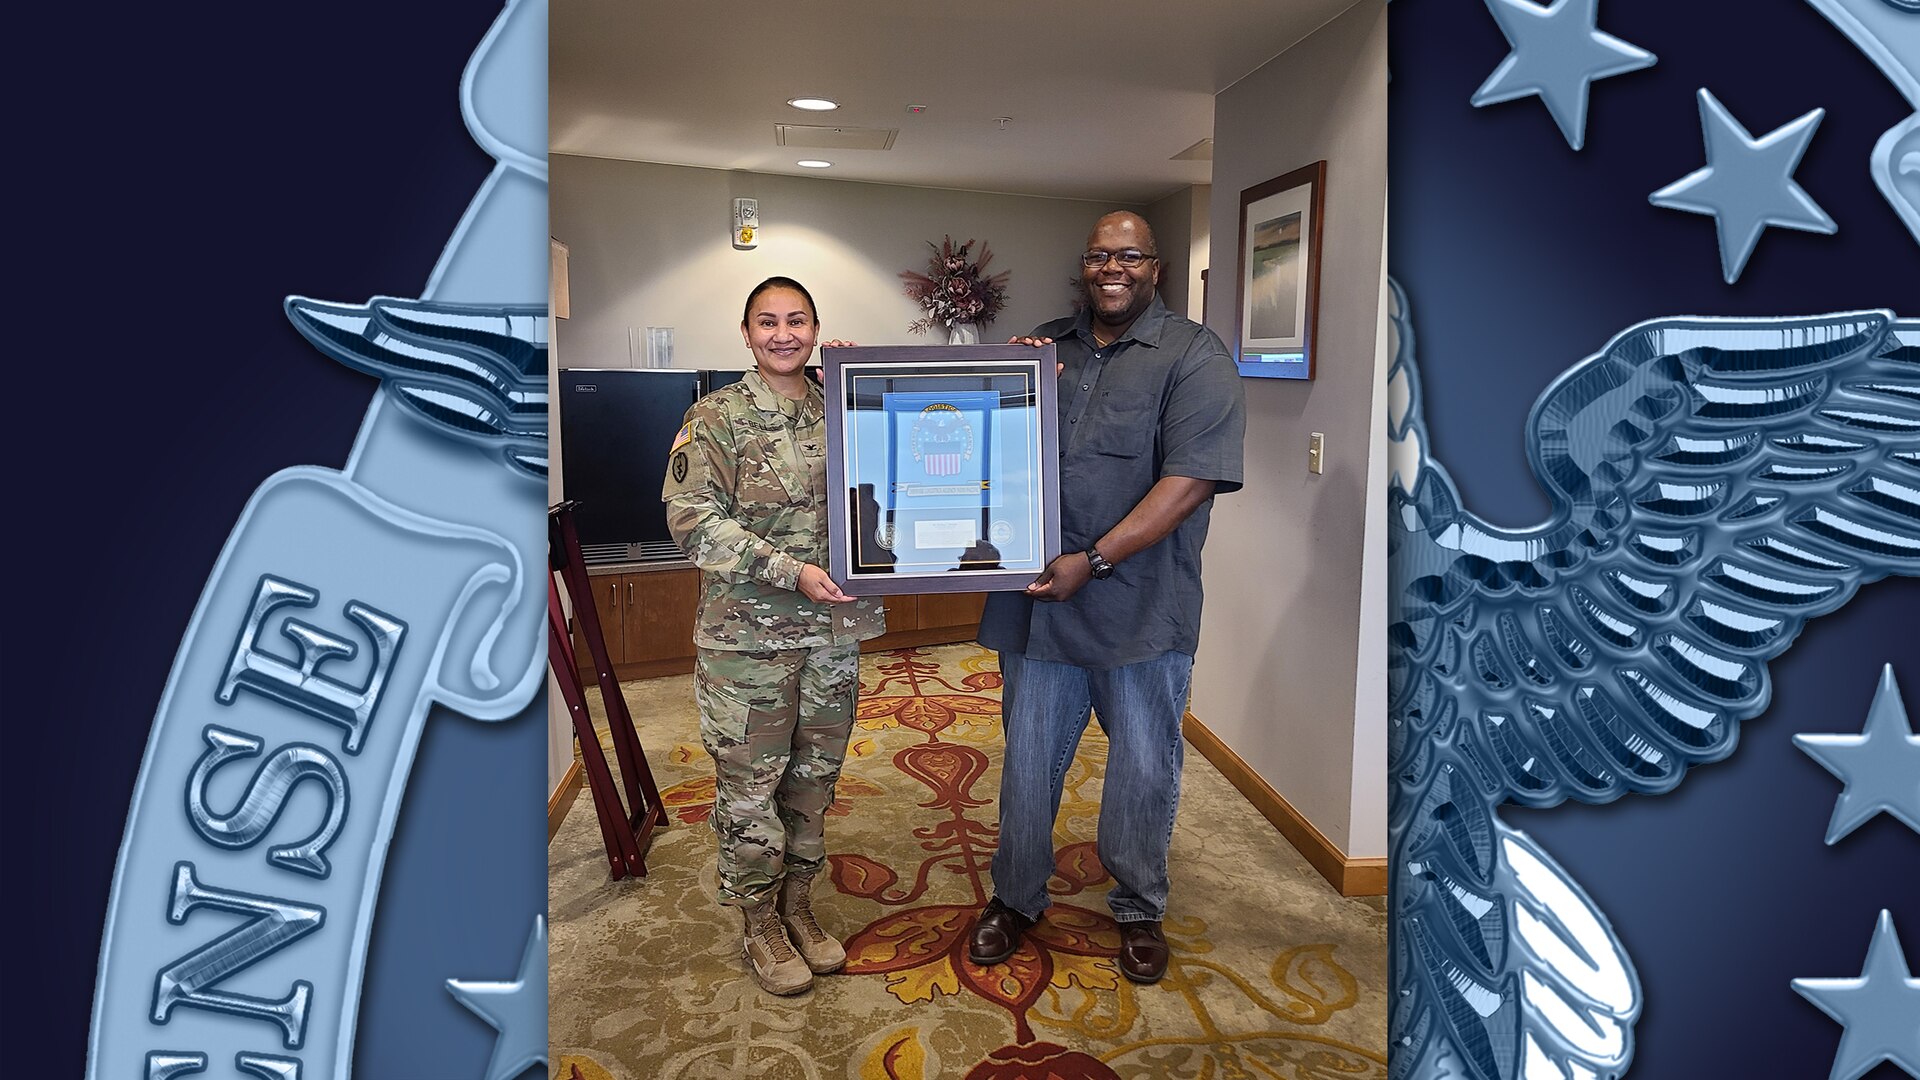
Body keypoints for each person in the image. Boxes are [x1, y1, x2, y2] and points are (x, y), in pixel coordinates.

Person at [969, 211, 1246, 984]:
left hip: (1143, 609)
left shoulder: (1194, 356)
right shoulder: (1040, 351)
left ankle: (1137, 906)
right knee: (1026, 764)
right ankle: (1016, 899)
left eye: (1129, 256)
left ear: (1154, 267)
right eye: (1099, 255)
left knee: (1143, 770)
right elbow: (974, 443)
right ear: (1084, 265)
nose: (1112, 268)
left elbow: (1189, 480)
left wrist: (1094, 558)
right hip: (1038, 605)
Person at [662, 276, 884, 996]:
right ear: (746, 332)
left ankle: (799, 906)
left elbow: (896, 468)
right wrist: (789, 570)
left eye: (797, 321)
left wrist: (866, 379)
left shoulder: (840, 406)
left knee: (815, 782)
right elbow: (690, 519)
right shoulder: (716, 417)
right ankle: (758, 921)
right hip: (747, 644)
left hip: (832, 635)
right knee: (752, 789)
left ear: (817, 330)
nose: (783, 334)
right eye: (768, 322)